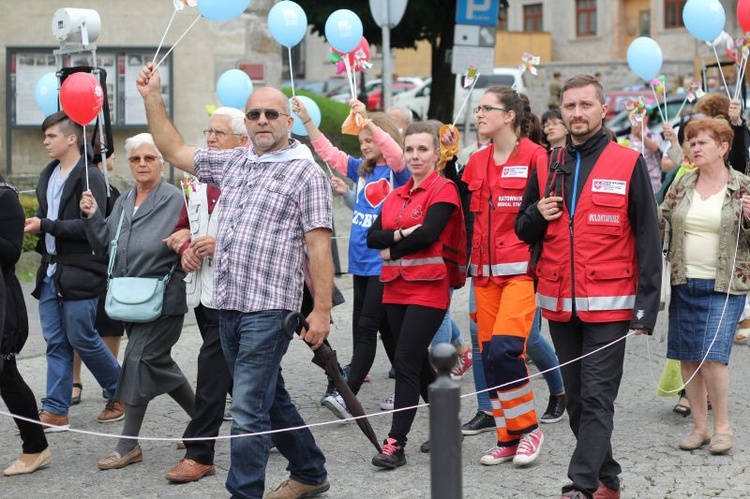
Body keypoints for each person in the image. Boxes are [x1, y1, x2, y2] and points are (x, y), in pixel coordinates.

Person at [136, 63, 333, 499]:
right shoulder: (236, 161)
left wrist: (320, 311)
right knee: (268, 396)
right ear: (245, 123)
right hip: (226, 305)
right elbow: (173, 149)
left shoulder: (306, 173)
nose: (262, 120)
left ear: (287, 120)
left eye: (271, 114)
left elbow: (319, 248)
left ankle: (243, 492)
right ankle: (310, 471)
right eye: (254, 114)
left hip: (271, 309)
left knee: (246, 409)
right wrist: (152, 97)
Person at [515, 74, 661, 499]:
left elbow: (649, 238)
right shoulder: (544, 163)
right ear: (561, 110)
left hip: (611, 306)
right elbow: (523, 229)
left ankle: (579, 485)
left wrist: (645, 308)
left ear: (601, 109)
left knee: (597, 398)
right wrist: (537, 215)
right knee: (578, 400)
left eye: (585, 105)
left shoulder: (627, 162)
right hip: (559, 303)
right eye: (570, 105)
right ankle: (607, 479)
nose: (577, 113)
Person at [79, 133, 195, 471]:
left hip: (164, 299)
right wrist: (92, 216)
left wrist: (185, 242)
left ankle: (128, 445)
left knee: (138, 361)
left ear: (161, 161)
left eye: (149, 158)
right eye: (135, 159)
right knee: (160, 367)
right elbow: (104, 245)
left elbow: (194, 237)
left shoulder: (176, 199)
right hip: (130, 300)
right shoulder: (124, 200)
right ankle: (205, 424)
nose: (142, 164)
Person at [292, 97, 408, 419]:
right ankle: (415, 387)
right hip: (360, 262)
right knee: (384, 331)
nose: (366, 144)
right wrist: (307, 121)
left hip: (384, 263)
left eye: (370, 140)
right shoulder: (363, 170)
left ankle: (348, 395)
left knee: (366, 329)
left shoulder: (399, 171)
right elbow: (329, 154)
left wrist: (368, 121)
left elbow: (396, 152)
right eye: (362, 141)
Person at [457, 86, 547, 468]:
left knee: (508, 350)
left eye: (486, 108)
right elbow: (465, 217)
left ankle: (529, 430)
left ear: (509, 116)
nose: (478, 115)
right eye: (477, 108)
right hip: (484, 276)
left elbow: (549, 215)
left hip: (521, 273)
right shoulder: (476, 161)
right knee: (491, 358)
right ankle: (507, 437)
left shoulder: (537, 157)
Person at [367, 121, 465, 468]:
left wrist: (392, 244)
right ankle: (447, 426)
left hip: (429, 286)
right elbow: (371, 238)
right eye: (409, 149)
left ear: (437, 154)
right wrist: (399, 236)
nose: (415, 156)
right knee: (412, 361)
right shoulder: (395, 195)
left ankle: (395, 444)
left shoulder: (445, 190)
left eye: (423, 149)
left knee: (406, 359)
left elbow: (429, 235)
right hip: (395, 287)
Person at [161, 107, 248, 483]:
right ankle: (282, 431)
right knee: (242, 372)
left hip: (239, 291)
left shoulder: (249, 178)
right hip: (201, 290)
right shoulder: (194, 180)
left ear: (242, 143)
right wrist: (183, 247)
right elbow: (182, 228)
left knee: (211, 367)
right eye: (208, 131)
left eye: (219, 133)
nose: (210, 138)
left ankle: (200, 451)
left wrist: (222, 243)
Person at [24, 111, 123, 432]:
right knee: (55, 341)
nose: (45, 141)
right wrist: (35, 226)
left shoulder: (90, 176)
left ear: (70, 139)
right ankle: (55, 409)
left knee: (82, 336)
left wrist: (46, 225)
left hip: (81, 270)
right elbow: (46, 217)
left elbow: (92, 228)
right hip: (51, 271)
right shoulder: (48, 174)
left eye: (51, 136)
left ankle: (121, 391)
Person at [660, 117, 750, 455]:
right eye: (691, 142)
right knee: (687, 358)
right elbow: (660, 217)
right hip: (683, 279)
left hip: (724, 284)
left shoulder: (743, 186)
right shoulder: (682, 184)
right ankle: (700, 428)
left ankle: (722, 426)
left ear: (724, 147)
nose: (694, 148)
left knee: (712, 359)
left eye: (702, 142)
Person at [0, 176, 51, 476]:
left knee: (6, 375)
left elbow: (11, 252)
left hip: (3, 300)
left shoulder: (5, 197)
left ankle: (36, 447)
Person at [71, 152, 123, 406]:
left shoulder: (112, 189)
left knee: (111, 322)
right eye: (111, 153)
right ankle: (74, 380)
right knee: (79, 327)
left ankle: (112, 378)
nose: (114, 158)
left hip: (110, 267)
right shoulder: (86, 183)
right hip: (85, 265)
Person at [625, 113, 662, 192]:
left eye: (637, 117)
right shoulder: (627, 138)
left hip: (652, 182)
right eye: (632, 117)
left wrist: (639, 135)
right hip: (633, 182)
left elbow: (655, 148)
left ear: (645, 118)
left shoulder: (653, 135)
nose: (634, 121)